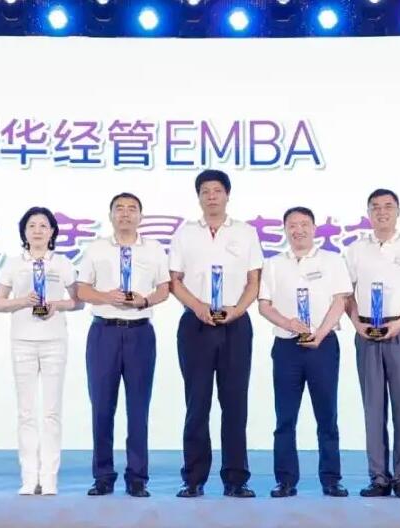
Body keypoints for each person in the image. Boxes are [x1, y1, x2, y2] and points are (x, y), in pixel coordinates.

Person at [169, 169, 263, 499]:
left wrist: (236, 311)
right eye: (205, 191)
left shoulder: (246, 232)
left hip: (235, 324)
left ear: (227, 195)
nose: (211, 196)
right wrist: (197, 307)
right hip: (195, 324)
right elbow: (175, 280)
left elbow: (254, 281)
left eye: (217, 190)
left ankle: (236, 478)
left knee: (235, 403)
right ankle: (193, 478)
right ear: (198, 197)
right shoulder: (185, 234)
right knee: (197, 403)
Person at [76, 192, 170, 498]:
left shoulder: (154, 249)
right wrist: (106, 296)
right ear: (111, 215)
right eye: (120, 208)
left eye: (132, 209)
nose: (126, 214)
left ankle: (137, 477)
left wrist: (144, 300)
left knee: (138, 408)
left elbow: (164, 288)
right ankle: (103, 476)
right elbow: (82, 290)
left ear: (140, 216)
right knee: (102, 407)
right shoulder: (96, 248)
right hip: (104, 333)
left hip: (140, 333)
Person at [258, 206, 352, 498]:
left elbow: (341, 301)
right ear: (285, 230)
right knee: (285, 417)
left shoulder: (332, 260)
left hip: (323, 345)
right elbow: (264, 305)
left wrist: (320, 333)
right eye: (292, 225)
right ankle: (285, 480)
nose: (298, 230)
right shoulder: (273, 264)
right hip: (287, 347)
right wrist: (287, 323)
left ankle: (331, 479)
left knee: (327, 416)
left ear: (314, 228)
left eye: (304, 224)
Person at [344, 189, 400, 499]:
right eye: (375, 207)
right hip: (367, 330)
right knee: (373, 407)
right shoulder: (355, 250)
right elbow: (346, 293)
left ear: (398, 211)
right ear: (368, 213)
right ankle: (378, 477)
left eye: (388, 206)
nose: (382, 212)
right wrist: (357, 324)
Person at [0, 207, 83, 496]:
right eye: (32, 225)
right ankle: (29, 478)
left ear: (53, 231)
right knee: (26, 412)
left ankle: (50, 477)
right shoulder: (13, 264)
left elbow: (78, 301)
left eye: (44, 225)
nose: (38, 230)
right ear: (24, 231)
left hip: (54, 341)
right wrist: (22, 301)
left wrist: (57, 304)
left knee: (52, 411)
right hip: (22, 341)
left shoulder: (63, 263)